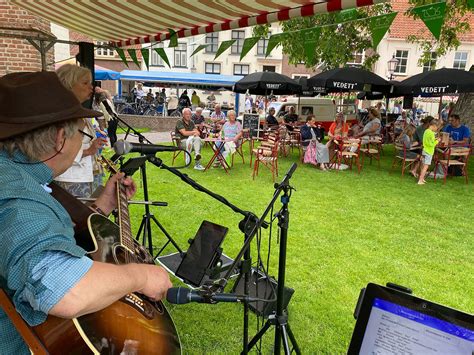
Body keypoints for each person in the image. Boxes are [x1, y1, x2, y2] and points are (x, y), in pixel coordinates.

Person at [0, 71, 172, 354]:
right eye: (81, 132)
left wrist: (102, 205)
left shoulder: (21, 175)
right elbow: (64, 291)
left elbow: (42, 233)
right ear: (59, 140)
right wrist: (141, 276)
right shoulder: (17, 195)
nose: (83, 140)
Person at [54, 64, 108, 198]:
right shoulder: (59, 116)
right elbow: (54, 152)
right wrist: (88, 151)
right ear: (68, 85)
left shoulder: (81, 113)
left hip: (89, 175)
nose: (91, 87)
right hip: (71, 179)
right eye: (85, 83)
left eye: (91, 83)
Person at [418, 119, 442, 185]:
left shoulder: (426, 131)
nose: (437, 129)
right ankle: (420, 180)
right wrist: (437, 141)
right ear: (434, 126)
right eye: (437, 128)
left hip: (424, 150)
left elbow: (427, 140)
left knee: (423, 166)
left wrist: (434, 139)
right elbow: (431, 144)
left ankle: (422, 178)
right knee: (426, 166)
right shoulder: (431, 133)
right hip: (429, 151)